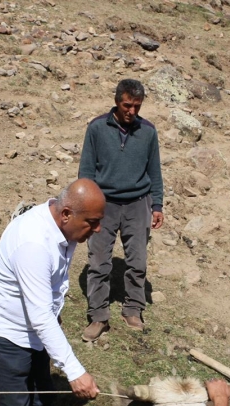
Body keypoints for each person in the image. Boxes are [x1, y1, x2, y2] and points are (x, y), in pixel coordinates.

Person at [0, 179, 104, 406]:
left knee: (42, 395)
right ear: (66, 213)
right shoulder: (33, 242)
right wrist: (75, 372)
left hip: (31, 330)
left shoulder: (64, 228)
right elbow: (40, 316)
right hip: (4, 333)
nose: (98, 229)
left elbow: (45, 298)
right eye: (92, 222)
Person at [78, 78, 164, 341]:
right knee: (99, 262)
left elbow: (154, 171)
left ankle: (133, 309)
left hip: (138, 204)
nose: (132, 111)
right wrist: (85, 207)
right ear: (117, 101)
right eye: (127, 105)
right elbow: (86, 169)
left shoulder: (148, 132)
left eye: (137, 106)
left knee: (137, 261)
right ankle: (98, 315)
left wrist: (157, 204)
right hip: (103, 204)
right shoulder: (96, 128)